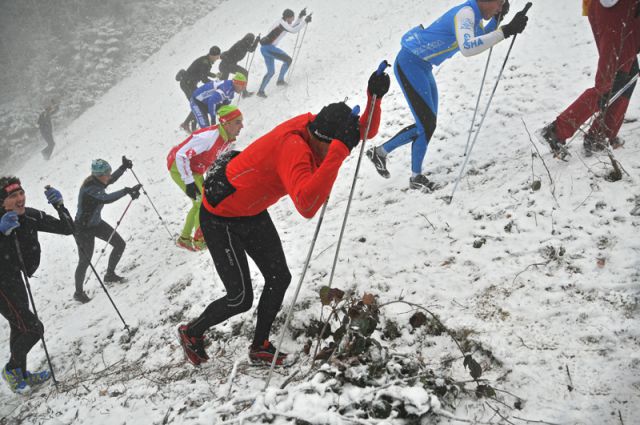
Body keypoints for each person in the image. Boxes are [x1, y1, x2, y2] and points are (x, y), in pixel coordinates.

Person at [177, 68, 390, 366]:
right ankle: (192, 332)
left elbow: (361, 132)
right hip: (220, 216)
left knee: (279, 277)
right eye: (331, 147)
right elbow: (306, 204)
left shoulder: (319, 128)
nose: (334, 151)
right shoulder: (294, 148)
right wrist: (337, 154)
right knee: (240, 298)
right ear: (322, 140)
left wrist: (374, 98)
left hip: (249, 209)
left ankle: (260, 346)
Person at [366, 0, 528, 192]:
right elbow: (468, 47)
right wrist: (506, 30)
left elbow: (479, 38)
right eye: (499, 4)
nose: (501, 7)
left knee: (428, 124)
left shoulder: (474, 15)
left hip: (424, 66)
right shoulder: (466, 14)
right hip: (410, 62)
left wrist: (498, 20)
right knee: (426, 124)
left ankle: (382, 153)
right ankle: (413, 175)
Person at [0, 177, 73, 393]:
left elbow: (68, 228)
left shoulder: (29, 216)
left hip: (15, 278)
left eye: (21, 193)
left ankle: (21, 374)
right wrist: (2, 234)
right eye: (12, 196)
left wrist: (60, 206)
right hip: (1, 286)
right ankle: (11, 369)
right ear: (2, 202)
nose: (20, 199)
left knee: (18, 326)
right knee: (34, 328)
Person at [541, 0, 639, 157]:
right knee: (610, 82)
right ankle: (556, 131)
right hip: (617, 13)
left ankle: (601, 136)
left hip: (617, 12)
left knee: (628, 76)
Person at [167, 106, 244, 251]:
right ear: (226, 123)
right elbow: (181, 155)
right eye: (238, 122)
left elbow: (212, 159)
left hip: (194, 168)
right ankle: (200, 240)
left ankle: (184, 239)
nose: (242, 126)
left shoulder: (226, 138)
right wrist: (189, 182)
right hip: (179, 166)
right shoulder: (208, 137)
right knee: (202, 203)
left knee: (199, 202)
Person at [73, 157, 141, 303]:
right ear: (100, 175)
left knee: (120, 244)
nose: (109, 176)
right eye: (107, 174)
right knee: (85, 261)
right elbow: (106, 199)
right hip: (82, 229)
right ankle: (78, 293)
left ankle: (109, 275)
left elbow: (112, 179)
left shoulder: (99, 180)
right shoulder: (90, 188)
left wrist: (123, 167)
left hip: (96, 224)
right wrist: (126, 191)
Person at [256, 8, 312, 98]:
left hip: (265, 48)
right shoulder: (282, 24)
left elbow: (292, 27)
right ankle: (280, 81)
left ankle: (260, 91)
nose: (293, 20)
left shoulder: (282, 22)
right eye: (292, 18)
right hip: (269, 48)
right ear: (288, 17)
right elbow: (293, 30)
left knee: (270, 72)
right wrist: (305, 21)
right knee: (288, 60)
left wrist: (300, 17)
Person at [177, 46, 222, 133]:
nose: (217, 59)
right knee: (197, 104)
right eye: (217, 57)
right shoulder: (205, 62)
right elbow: (203, 78)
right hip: (187, 84)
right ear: (212, 55)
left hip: (190, 83)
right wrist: (214, 85)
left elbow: (204, 73)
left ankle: (191, 126)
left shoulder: (206, 61)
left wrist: (214, 75)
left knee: (198, 103)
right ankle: (186, 125)